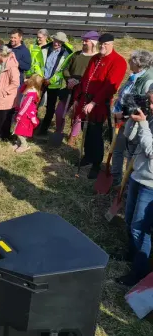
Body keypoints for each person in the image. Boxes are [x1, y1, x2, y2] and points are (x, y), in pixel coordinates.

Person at [74, 33, 127, 179]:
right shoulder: (95, 58)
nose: (103, 47)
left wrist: (94, 102)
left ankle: (97, 163)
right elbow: (86, 78)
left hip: (98, 103)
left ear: (112, 44)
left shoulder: (118, 61)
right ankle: (88, 156)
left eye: (106, 44)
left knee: (96, 132)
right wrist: (78, 96)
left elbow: (110, 86)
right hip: (86, 99)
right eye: (101, 44)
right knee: (87, 130)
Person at [114, 93, 153, 288]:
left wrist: (144, 125)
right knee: (129, 219)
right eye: (149, 100)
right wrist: (131, 120)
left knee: (140, 228)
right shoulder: (149, 116)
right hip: (138, 174)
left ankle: (139, 273)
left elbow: (151, 151)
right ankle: (131, 253)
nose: (150, 105)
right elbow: (131, 138)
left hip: (151, 184)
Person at [110, 50, 153, 186]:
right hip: (122, 117)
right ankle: (115, 178)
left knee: (130, 153)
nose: (129, 62)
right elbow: (126, 94)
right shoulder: (135, 75)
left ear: (138, 63)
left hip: (132, 122)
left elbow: (142, 105)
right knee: (117, 149)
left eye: (132, 60)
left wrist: (123, 114)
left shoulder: (148, 80)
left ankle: (126, 184)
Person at [64, 31, 99, 147]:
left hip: (84, 91)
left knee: (78, 115)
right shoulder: (76, 54)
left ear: (93, 42)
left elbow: (93, 75)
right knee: (60, 112)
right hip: (70, 88)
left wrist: (79, 81)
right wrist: (69, 79)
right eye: (83, 40)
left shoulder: (97, 58)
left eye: (86, 41)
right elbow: (66, 69)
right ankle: (60, 130)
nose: (83, 42)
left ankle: (73, 136)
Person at [35, 32, 74, 136]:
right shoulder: (44, 49)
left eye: (60, 42)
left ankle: (43, 130)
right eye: (55, 41)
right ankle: (32, 126)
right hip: (41, 82)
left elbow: (62, 71)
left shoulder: (67, 54)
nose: (56, 43)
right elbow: (37, 64)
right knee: (35, 105)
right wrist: (41, 77)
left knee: (50, 108)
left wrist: (50, 80)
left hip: (54, 85)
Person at [13, 75, 44, 153]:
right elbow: (21, 90)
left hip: (25, 115)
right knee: (20, 129)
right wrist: (24, 83)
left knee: (18, 130)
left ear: (33, 82)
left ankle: (24, 145)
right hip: (23, 113)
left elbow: (26, 105)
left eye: (30, 79)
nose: (28, 80)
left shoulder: (31, 93)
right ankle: (18, 143)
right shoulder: (29, 89)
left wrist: (20, 114)